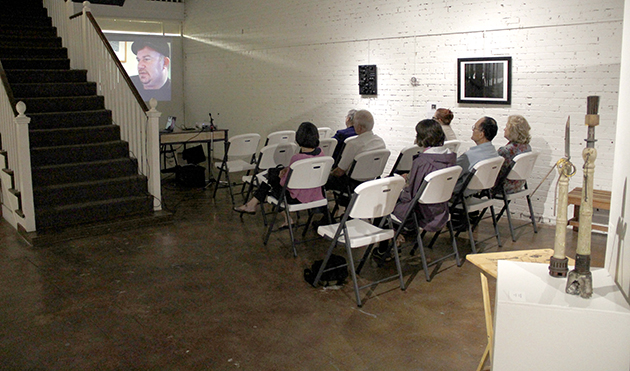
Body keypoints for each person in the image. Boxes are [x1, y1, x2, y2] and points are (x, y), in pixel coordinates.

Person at [372, 119, 456, 261]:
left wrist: (399, 188)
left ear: (422, 137)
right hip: (440, 209)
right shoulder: (450, 158)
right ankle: (399, 235)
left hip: (420, 212)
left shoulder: (422, 161)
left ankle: (384, 250)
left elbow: (411, 194)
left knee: (382, 204)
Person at [233, 122, 324, 226]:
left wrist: (281, 175)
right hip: (315, 194)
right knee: (272, 176)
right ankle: (252, 204)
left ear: (298, 138)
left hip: (296, 198)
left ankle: (252, 205)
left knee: (270, 181)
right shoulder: (321, 153)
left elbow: (285, 183)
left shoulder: (297, 158)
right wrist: (287, 169)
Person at [325, 109, 386, 194]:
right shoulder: (380, 142)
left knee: (322, 180)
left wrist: (329, 174)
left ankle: (320, 206)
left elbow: (340, 171)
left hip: (351, 184)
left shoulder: (353, 144)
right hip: (372, 182)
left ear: (359, 127)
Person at [453, 116, 499, 194]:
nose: (473, 130)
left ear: (481, 134)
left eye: (475, 128)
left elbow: (453, 172)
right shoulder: (494, 153)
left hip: (459, 193)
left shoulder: (469, 156)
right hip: (476, 191)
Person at [492, 115, 532, 195]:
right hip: (518, 186)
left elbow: (493, 173)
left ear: (513, 131)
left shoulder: (505, 151)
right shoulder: (527, 148)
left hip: (502, 188)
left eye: (507, 126)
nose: (504, 129)